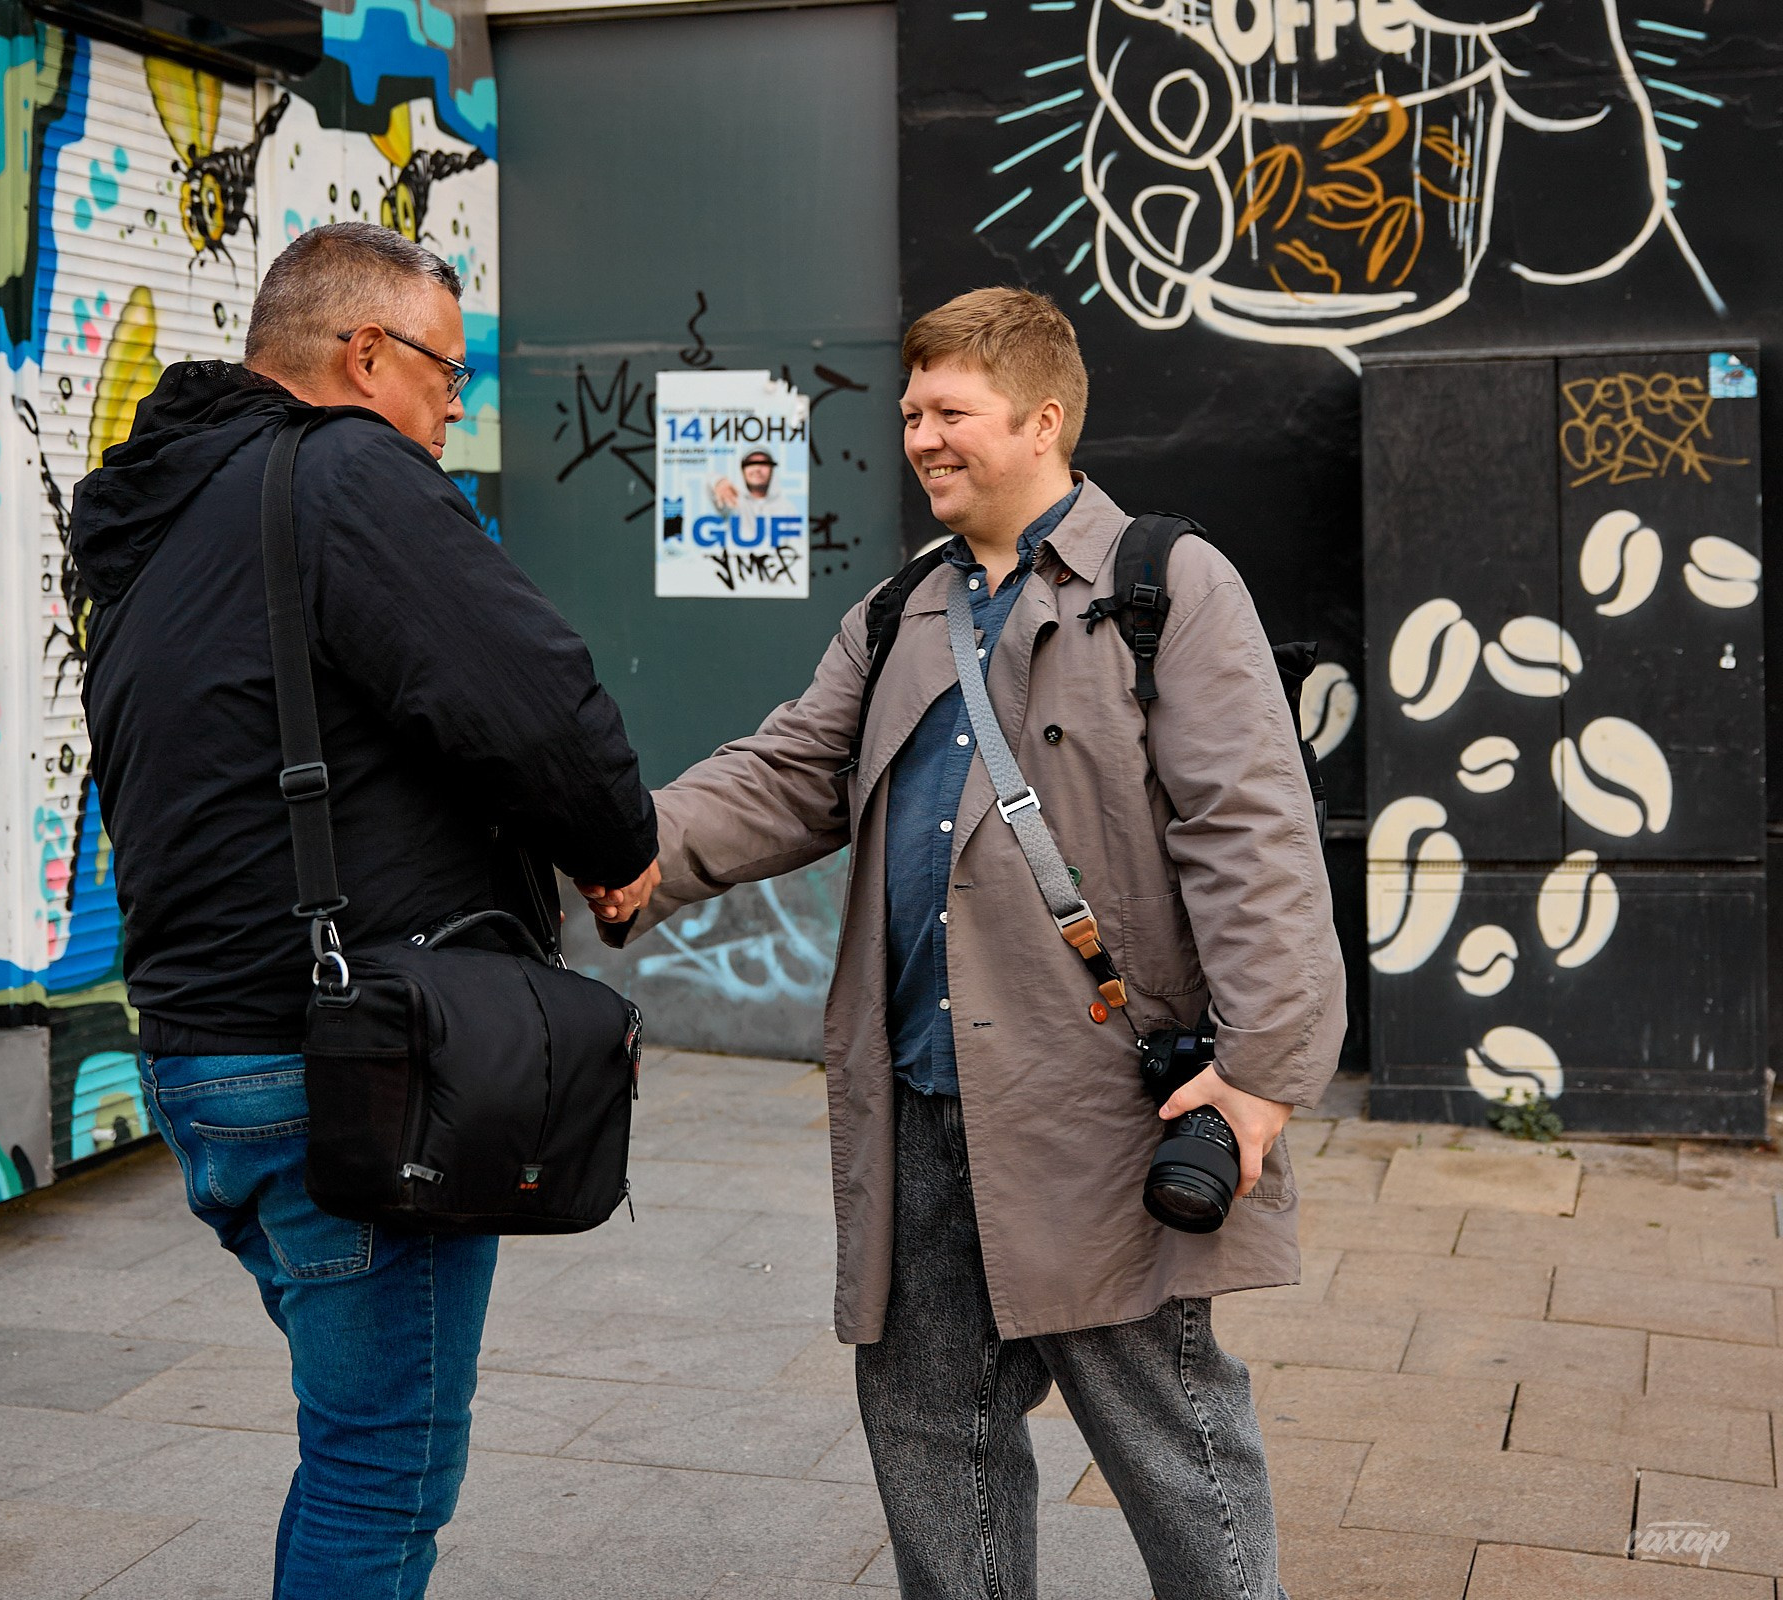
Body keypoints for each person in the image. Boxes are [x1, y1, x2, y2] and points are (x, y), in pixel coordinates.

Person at [583, 287, 1344, 1600]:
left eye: (952, 411)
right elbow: (787, 771)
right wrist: (620, 850)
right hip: (919, 1103)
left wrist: (1264, 1075)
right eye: (913, 411)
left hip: (1096, 1107)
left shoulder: (1164, 585)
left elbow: (1253, 837)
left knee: (1170, 1437)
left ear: (1044, 418)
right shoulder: (904, 609)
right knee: (934, 1434)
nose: (922, 435)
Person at [71, 221, 661, 1598]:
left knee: (355, 1435)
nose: (453, 414)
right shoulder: (348, 476)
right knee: (384, 1462)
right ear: (366, 354)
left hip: (207, 1059)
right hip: (340, 1061)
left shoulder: (164, 515)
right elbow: (532, 695)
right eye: (450, 379)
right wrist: (615, 843)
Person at [709, 447, 780, 512]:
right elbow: (708, 482)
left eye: (764, 463)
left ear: (772, 470)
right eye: (751, 463)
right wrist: (719, 482)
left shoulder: (787, 509)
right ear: (742, 470)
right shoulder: (731, 501)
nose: (757, 468)